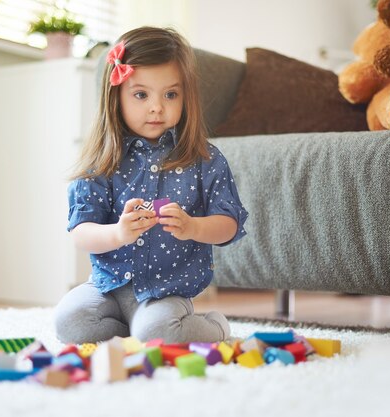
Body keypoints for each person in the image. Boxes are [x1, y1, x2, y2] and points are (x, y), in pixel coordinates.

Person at [54, 27, 248, 345]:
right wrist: (118, 233)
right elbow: (81, 232)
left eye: (170, 94)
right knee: (69, 323)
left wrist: (193, 227)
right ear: (116, 98)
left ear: (186, 97)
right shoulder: (102, 161)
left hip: (166, 293)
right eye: (141, 94)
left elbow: (228, 224)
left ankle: (213, 327)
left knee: (157, 330)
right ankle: (140, 334)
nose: (157, 107)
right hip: (108, 289)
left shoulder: (204, 159)